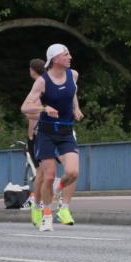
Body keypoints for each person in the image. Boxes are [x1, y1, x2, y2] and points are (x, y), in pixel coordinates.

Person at [21, 44, 83, 231]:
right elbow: (25, 107)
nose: (70, 57)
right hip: (47, 132)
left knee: (72, 172)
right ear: (55, 59)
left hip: (66, 131)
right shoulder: (42, 81)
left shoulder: (73, 75)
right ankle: (46, 214)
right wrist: (43, 108)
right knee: (48, 175)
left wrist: (76, 108)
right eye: (66, 54)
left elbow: (72, 93)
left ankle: (56, 191)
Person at [27, 58, 47, 227]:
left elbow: (31, 115)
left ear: (33, 70)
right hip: (40, 133)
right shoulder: (39, 86)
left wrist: (31, 134)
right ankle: (38, 205)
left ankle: (40, 204)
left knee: (44, 172)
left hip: (42, 134)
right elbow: (29, 112)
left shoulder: (43, 86)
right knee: (43, 172)